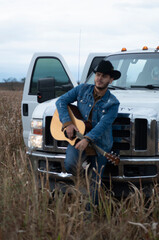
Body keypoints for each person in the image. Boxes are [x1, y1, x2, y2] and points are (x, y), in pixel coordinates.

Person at [56, 60, 121, 205]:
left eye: (104, 76)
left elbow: (103, 125)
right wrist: (67, 123)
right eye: (98, 75)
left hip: (100, 145)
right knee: (70, 164)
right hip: (77, 139)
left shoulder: (113, 102)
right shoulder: (82, 89)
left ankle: (91, 217)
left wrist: (88, 139)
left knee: (95, 186)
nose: (99, 78)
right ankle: (84, 182)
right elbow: (60, 101)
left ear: (111, 79)